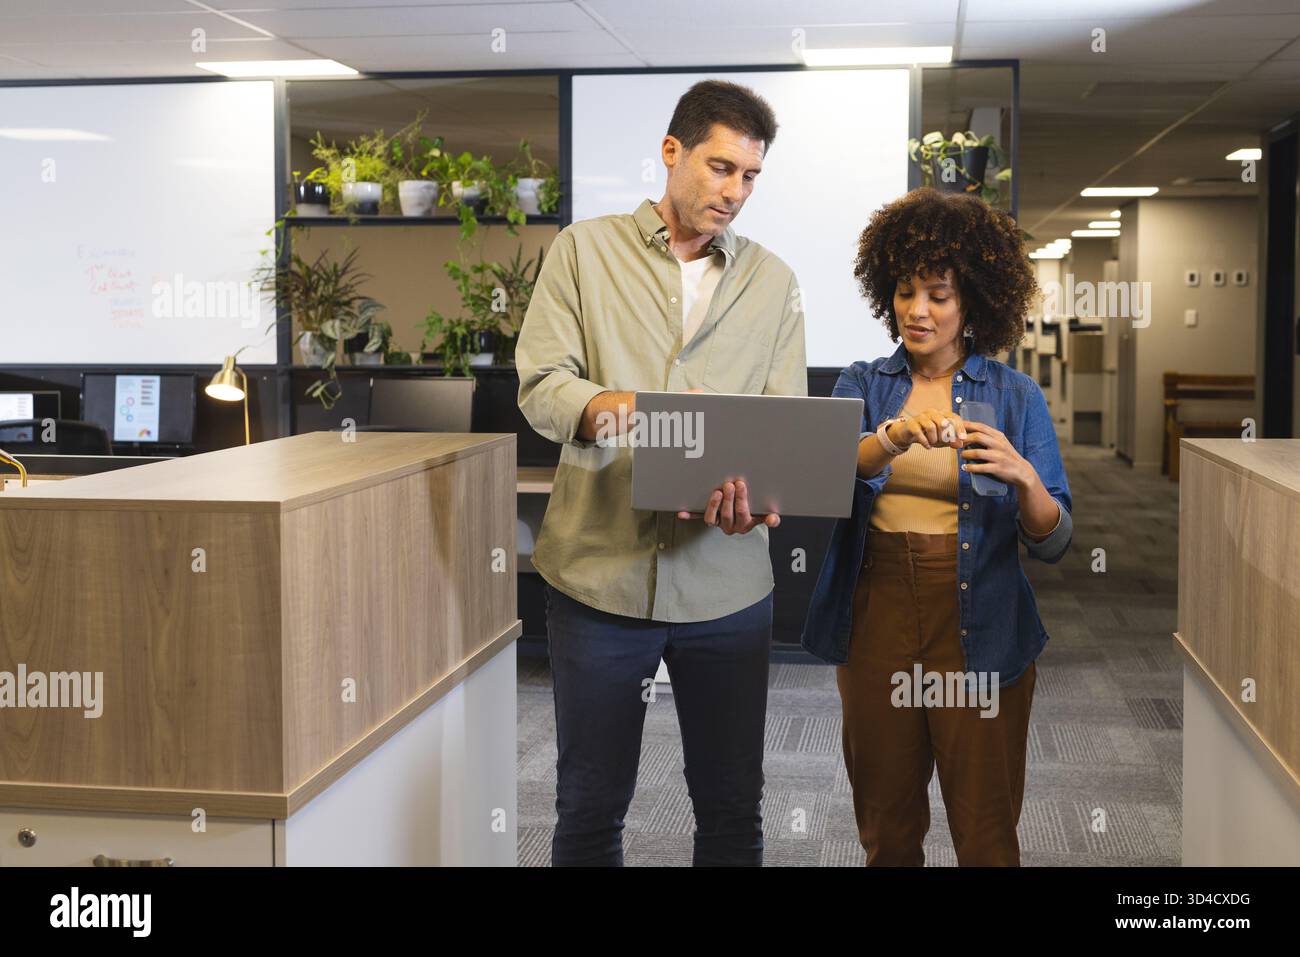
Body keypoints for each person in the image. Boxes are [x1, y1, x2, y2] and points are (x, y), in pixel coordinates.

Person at [516, 79, 807, 867]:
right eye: (720, 168)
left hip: (727, 586)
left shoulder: (772, 282)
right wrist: (629, 410)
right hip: (598, 581)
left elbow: (782, 427)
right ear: (672, 152)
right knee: (588, 806)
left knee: (729, 808)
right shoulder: (583, 251)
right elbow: (542, 389)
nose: (735, 191)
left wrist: (755, 495)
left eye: (750, 177)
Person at [802, 187, 1072, 866]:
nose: (916, 310)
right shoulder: (864, 382)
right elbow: (832, 469)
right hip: (878, 609)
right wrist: (889, 439)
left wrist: (1023, 475)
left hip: (980, 617)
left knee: (985, 834)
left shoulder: (1015, 395)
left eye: (938, 294)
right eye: (904, 290)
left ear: (971, 302)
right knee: (887, 830)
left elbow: (1055, 535)